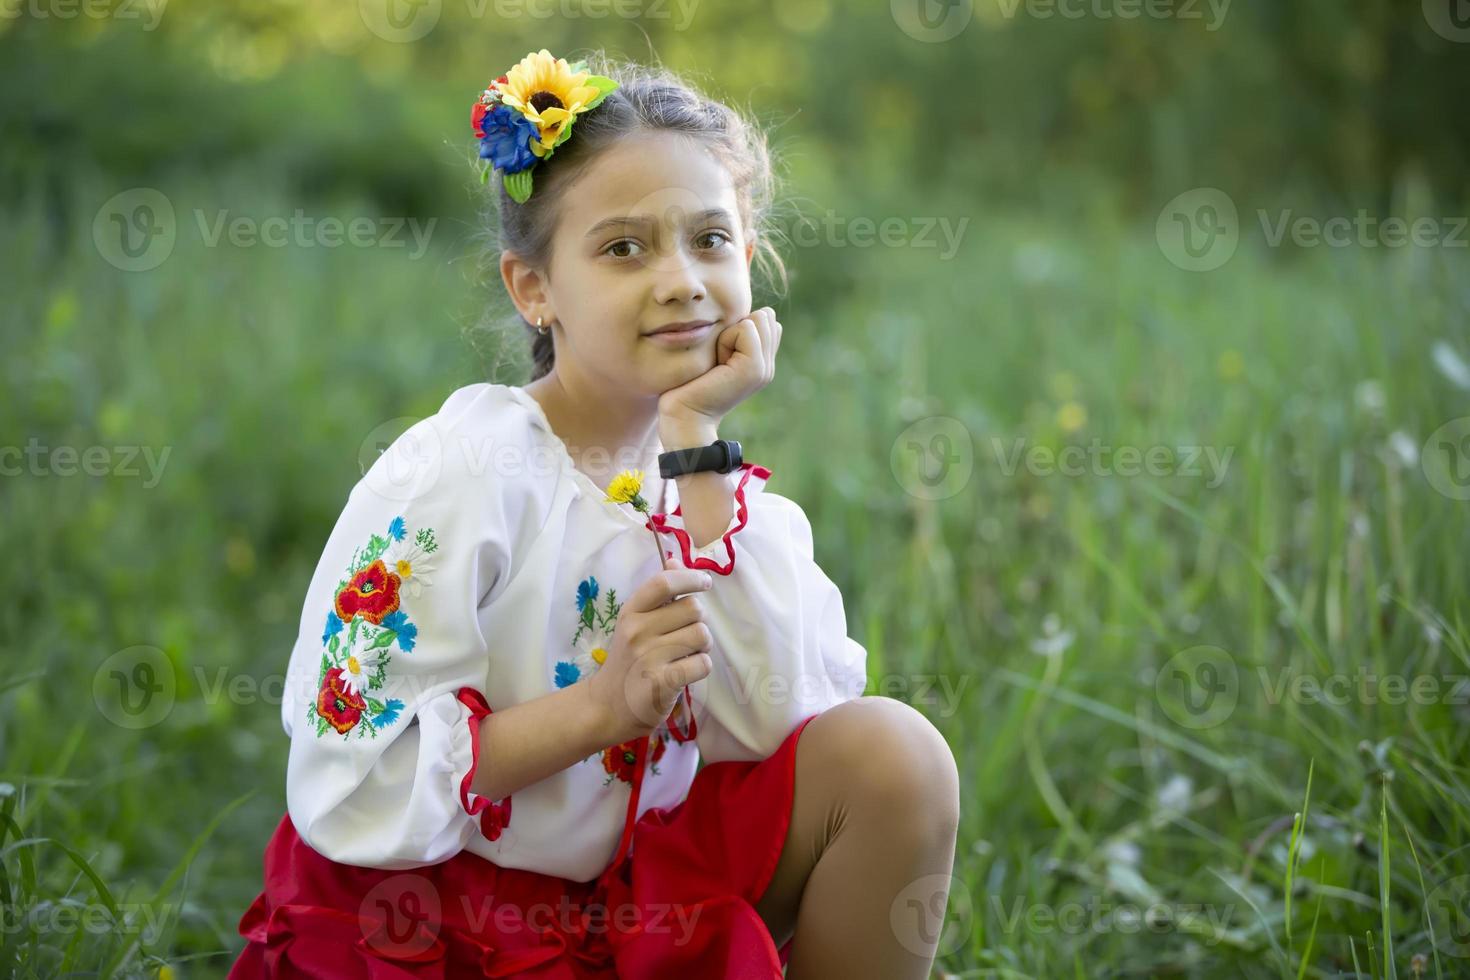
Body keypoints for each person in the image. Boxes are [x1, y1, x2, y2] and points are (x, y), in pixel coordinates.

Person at [229, 48, 960, 979]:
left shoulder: (707, 482)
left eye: (711, 240)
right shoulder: (465, 470)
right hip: (456, 908)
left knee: (895, 755)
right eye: (624, 248)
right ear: (534, 289)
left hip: (638, 883)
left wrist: (695, 437)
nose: (682, 281)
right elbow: (355, 780)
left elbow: (792, 724)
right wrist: (602, 708)